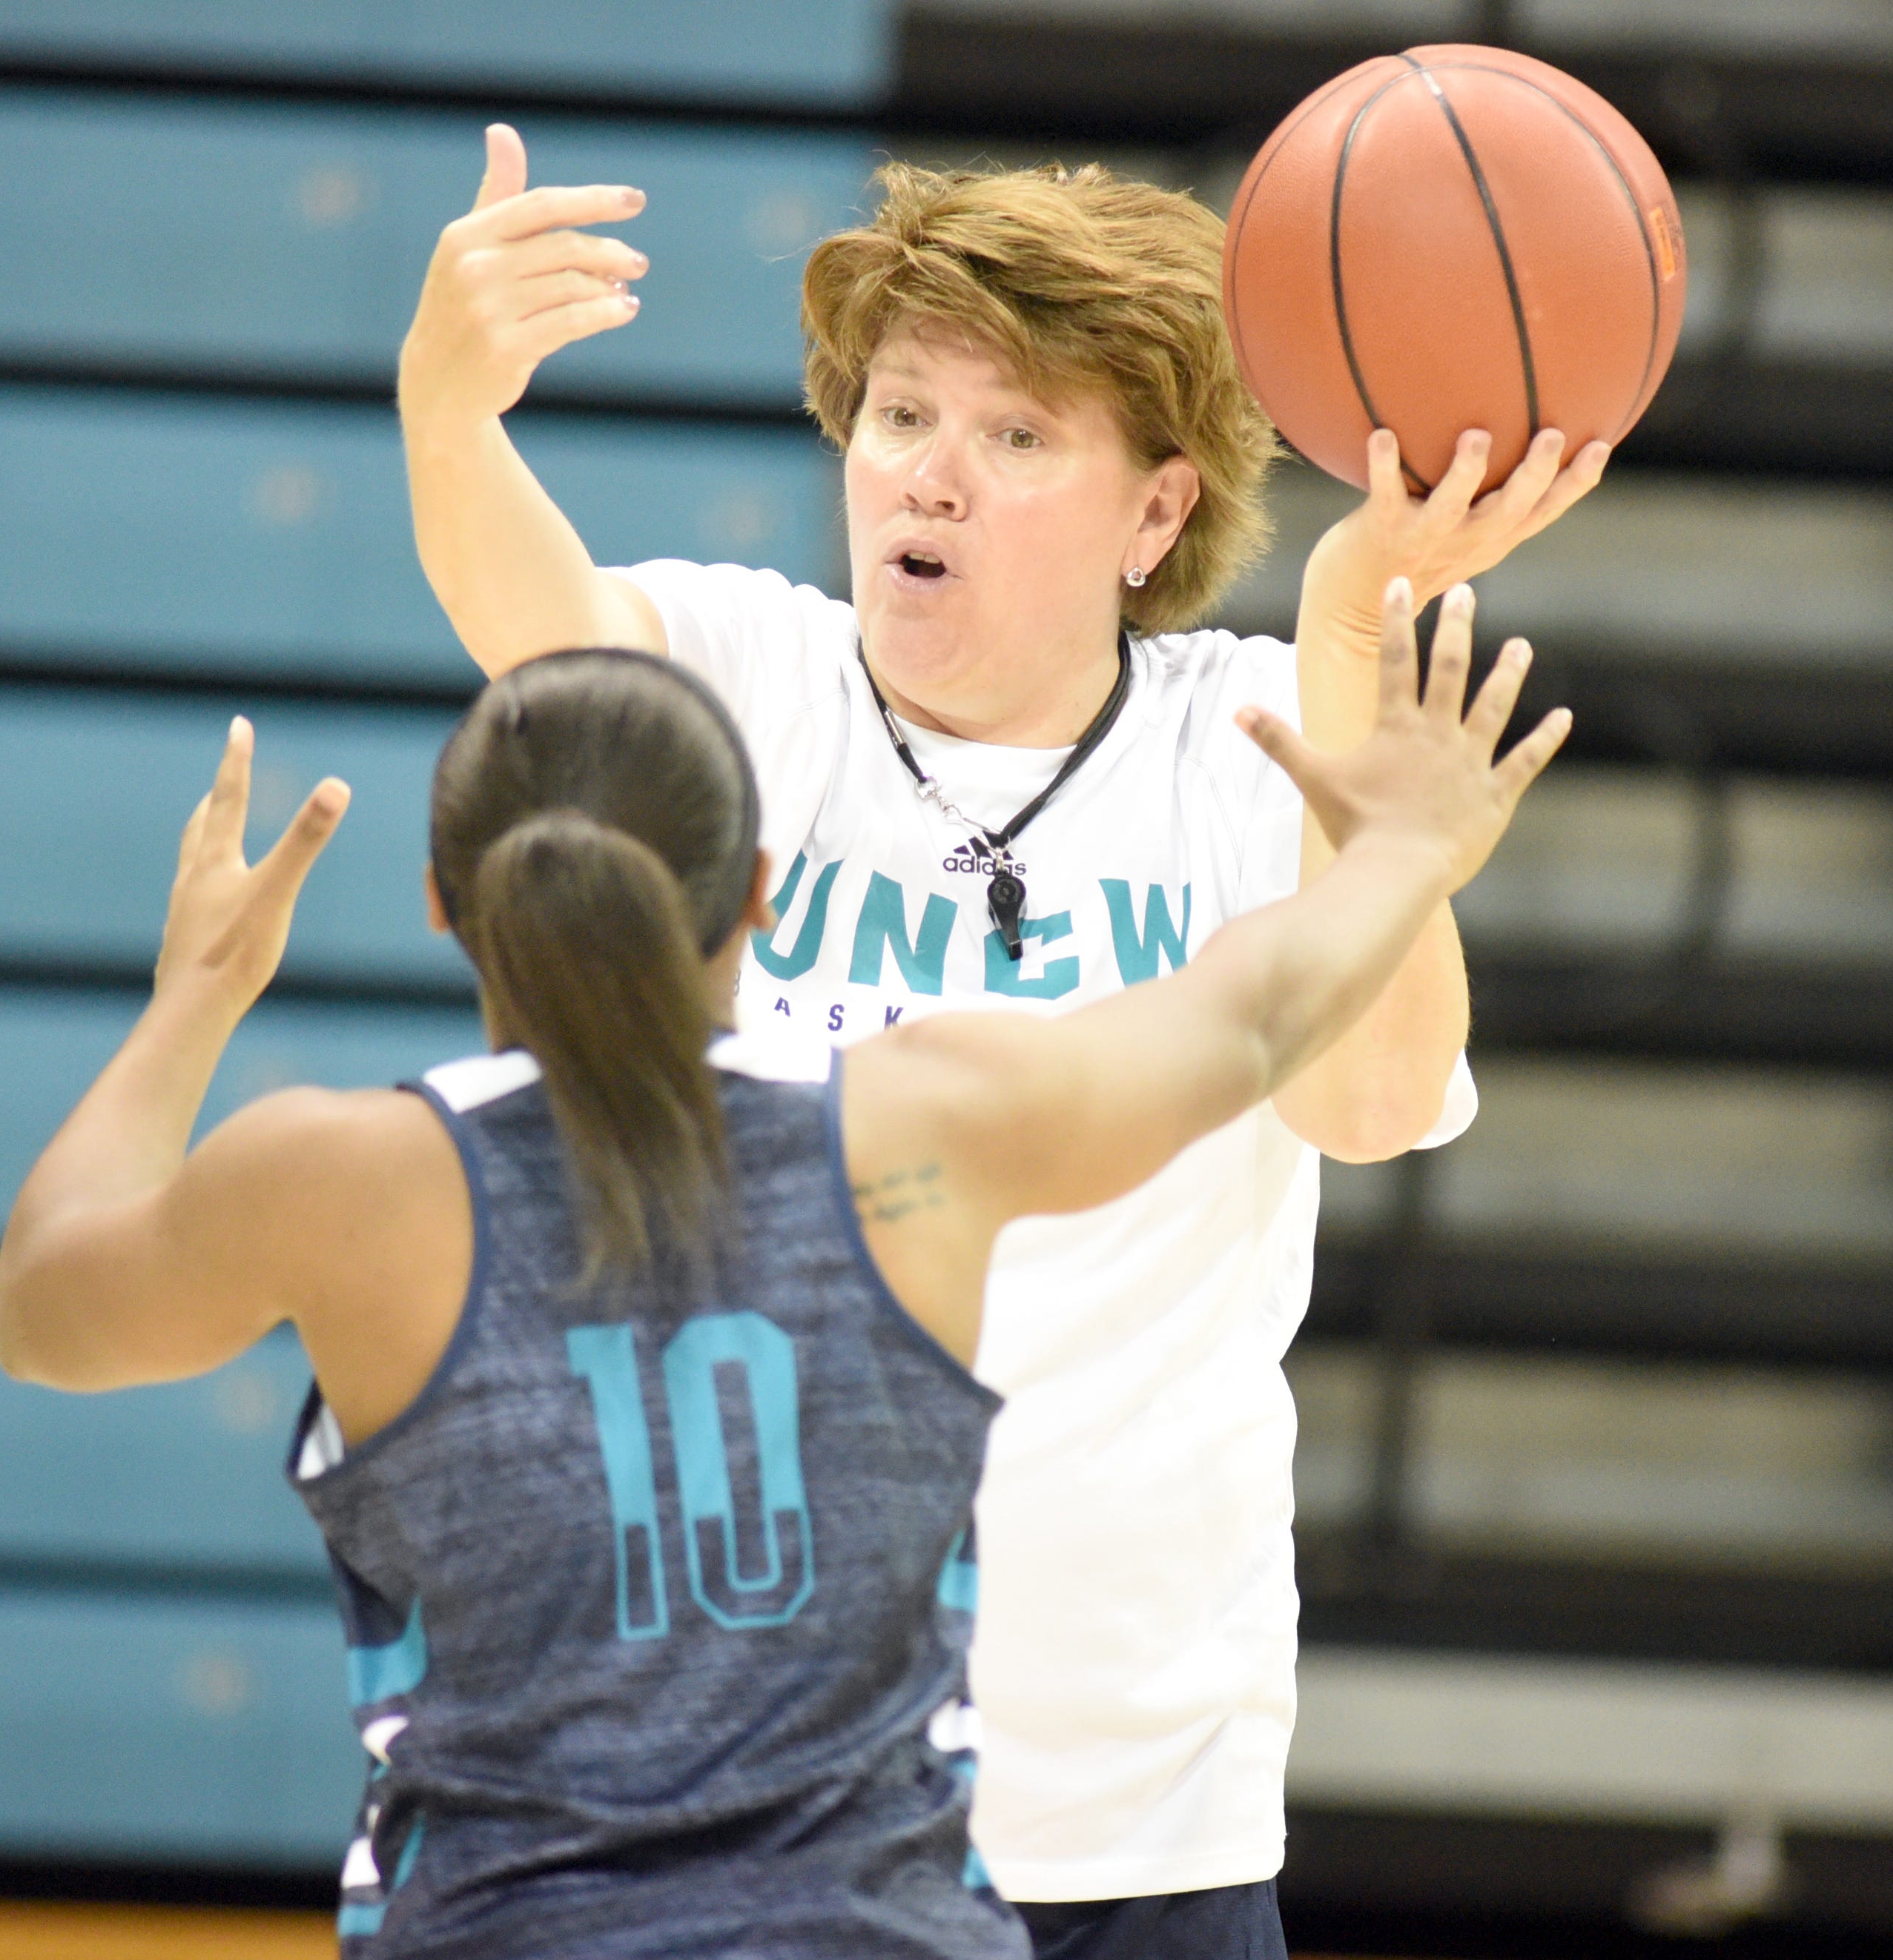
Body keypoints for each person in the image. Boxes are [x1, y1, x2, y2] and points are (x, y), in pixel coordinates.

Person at [395, 127, 1606, 1952]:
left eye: (1016, 436)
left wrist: (1359, 613)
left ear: (1155, 513)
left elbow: (1367, 1102)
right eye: (898, 415)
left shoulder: (1256, 729)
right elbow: (527, 617)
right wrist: (447, 405)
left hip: (1138, 1788)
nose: (927, 479)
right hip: (754, 1779)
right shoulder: (749, 682)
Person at [0, 592, 1566, 1959]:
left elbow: (44, 1307)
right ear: (756, 892)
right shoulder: (920, 1128)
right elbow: (1250, 1010)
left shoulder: (335, 1181)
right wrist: (1404, 849)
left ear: (442, 905)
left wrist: (194, 999)